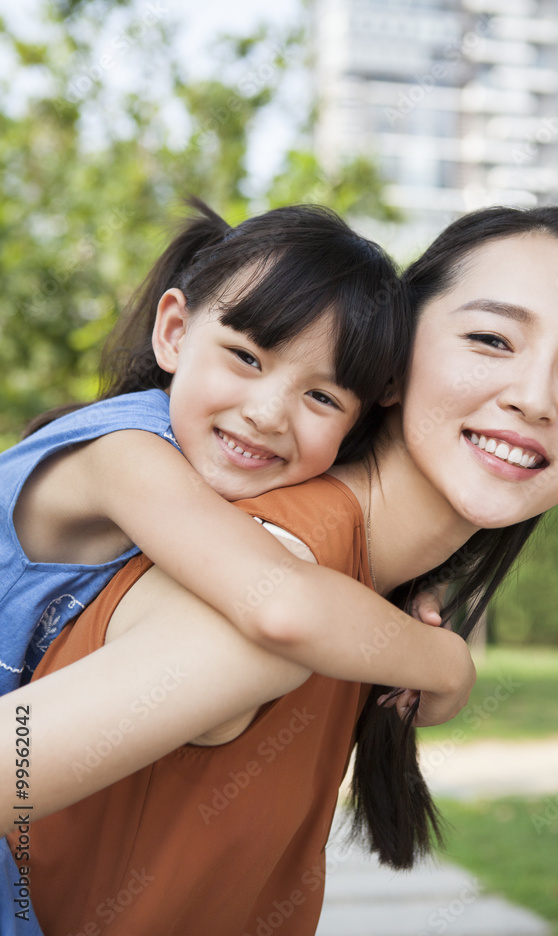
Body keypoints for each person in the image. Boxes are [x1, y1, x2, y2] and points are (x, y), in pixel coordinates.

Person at [2, 206, 558, 936]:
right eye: (489, 338)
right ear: (394, 363)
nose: (533, 398)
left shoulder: (360, 598)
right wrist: (444, 664)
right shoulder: (272, 573)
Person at [1, 197, 471, 702]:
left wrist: (401, 591)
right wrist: (448, 665)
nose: (267, 414)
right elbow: (281, 605)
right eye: (246, 358)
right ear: (175, 333)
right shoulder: (125, 454)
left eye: (321, 397)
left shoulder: (214, 470)